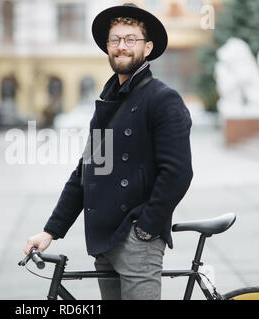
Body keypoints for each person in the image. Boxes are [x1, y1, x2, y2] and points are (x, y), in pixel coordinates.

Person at [24, 3, 193, 300]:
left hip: (138, 240)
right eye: (115, 40)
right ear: (107, 47)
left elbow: (178, 172)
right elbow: (86, 173)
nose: (122, 47)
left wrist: (146, 228)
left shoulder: (163, 99)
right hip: (105, 239)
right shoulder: (108, 102)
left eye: (130, 39)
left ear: (148, 47)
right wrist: (50, 231)